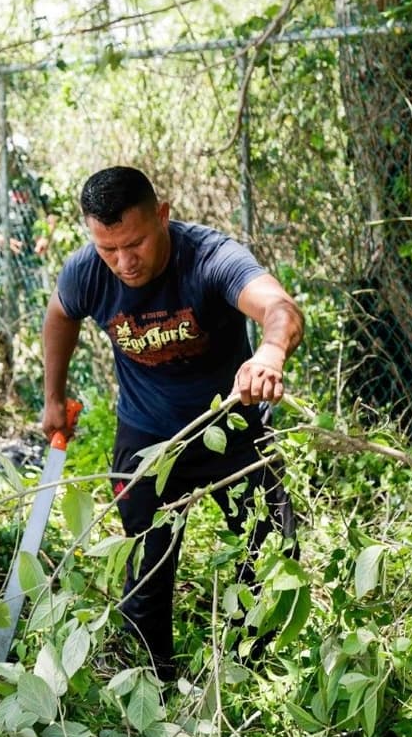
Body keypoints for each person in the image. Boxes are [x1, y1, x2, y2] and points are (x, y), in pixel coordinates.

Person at [42, 166, 304, 681]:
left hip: (230, 427)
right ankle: (154, 677)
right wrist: (53, 396)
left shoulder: (208, 258)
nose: (124, 262)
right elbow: (59, 317)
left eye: (135, 243)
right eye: (108, 248)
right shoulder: (86, 271)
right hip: (147, 436)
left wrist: (270, 353)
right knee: (145, 567)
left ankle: (248, 668)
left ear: (162, 216)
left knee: (273, 545)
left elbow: (279, 306)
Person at [0, 136, 55, 393]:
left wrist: (44, 237)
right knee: (4, 318)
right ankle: (5, 375)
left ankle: (45, 377)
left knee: (42, 315)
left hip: (30, 260)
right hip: (2, 262)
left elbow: (52, 211)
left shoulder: (33, 182)